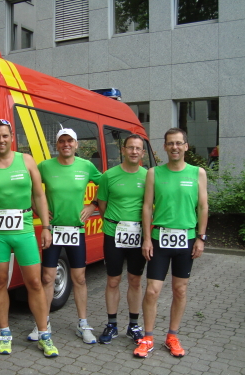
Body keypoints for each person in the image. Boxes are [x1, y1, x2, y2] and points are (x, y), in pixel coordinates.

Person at [0, 119, 59, 357]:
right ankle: (4, 333)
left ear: (12, 138)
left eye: (5, 136)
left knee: (34, 282)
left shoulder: (26, 160)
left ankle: (44, 334)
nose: (1, 140)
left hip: (24, 229)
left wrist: (46, 226)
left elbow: (39, 195)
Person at [133, 128, 208, 358]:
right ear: (164, 147)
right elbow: (147, 207)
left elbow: (203, 207)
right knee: (153, 291)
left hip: (186, 240)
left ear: (186, 146)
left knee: (180, 289)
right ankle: (147, 337)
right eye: (170, 143)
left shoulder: (198, 173)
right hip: (159, 240)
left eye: (179, 143)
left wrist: (201, 237)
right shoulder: (154, 173)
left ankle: (172, 335)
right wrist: (146, 238)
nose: (174, 147)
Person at [32, 128, 101, 344]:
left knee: (79, 278)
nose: (66, 144)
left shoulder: (86, 166)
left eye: (70, 140)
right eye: (62, 141)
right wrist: (38, 210)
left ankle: (83, 323)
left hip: (75, 231)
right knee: (47, 278)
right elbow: (29, 188)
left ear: (77, 144)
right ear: (57, 145)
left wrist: (94, 205)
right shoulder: (45, 166)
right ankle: (43, 323)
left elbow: (106, 183)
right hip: (52, 230)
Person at [96, 134, 147, 345]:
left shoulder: (148, 176)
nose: (134, 151)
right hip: (113, 233)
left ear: (143, 153)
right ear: (123, 150)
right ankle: (112, 324)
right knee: (113, 280)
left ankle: (134, 325)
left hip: (139, 234)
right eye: (130, 147)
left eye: (138, 148)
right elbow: (102, 205)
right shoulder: (108, 176)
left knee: (135, 281)